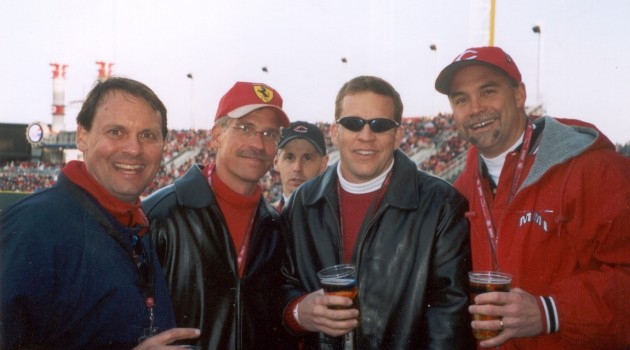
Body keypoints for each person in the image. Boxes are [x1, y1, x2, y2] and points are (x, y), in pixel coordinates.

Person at [435, 46, 630, 349]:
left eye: (487, 91)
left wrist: (550, 312)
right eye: (461, 99)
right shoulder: (460, 189)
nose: (474, 108)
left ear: (519, 95)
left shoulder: (593, 169)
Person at [0, 77, 199, 349]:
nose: (134, 149)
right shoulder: (32, 228)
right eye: (116, 132)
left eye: (148, 135)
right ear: (83, 136)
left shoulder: (133, 221)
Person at [280, 75, 475, 349]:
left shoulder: (441, 204)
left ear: (397, 136)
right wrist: (298, 311)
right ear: (336, 132)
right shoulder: (302, 201)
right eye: (353, 123)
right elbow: (281, 284)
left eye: (380, 125)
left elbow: (449, 320)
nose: (366, 136)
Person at [143, 81, 296, 349]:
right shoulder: (160, 213)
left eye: (269, 134)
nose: (258, 143)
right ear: (216, 136)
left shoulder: (276, 226)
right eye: (245, 128)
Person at [273, 121, 329, 211]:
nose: (297, 168)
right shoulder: (261, 222)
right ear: (276, 162)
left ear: (323, 164)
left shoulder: (338, 222)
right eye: (289, 157)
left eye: (307, 158)